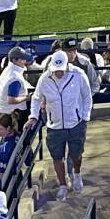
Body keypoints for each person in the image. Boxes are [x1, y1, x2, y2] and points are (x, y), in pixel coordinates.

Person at [31, 49, 93, 195]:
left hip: (76, 124)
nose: (59, 73)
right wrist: (33, 116)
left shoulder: (78, 75)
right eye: (56, 70)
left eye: (61, 70)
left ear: (67, 65)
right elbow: (36, 98)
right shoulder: (45, 79)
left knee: (76, 154)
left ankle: (76, 175)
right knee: (57, 157)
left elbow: (87, 96)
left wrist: (84, 117)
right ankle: (63, 185)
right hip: (55, 126)